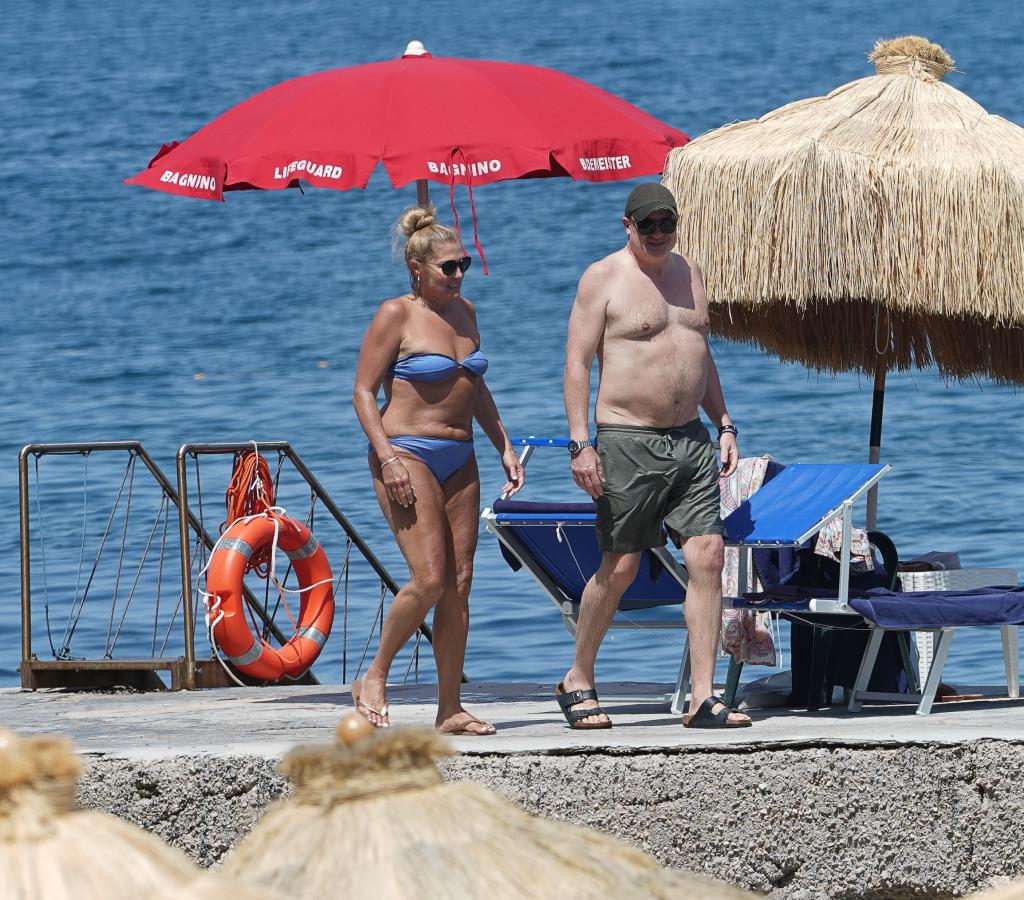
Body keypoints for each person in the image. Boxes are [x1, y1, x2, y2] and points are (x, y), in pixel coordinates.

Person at [559, 182, 748, 729]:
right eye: (649, 226)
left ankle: (703, 696)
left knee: (708, 556)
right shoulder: (604, 278)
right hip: (626, 440)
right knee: (619, 567)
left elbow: (700, 353)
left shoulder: (690, 273)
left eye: (668, 223)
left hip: (691, 439)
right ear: (628, 226)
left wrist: (725, 423)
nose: (660, 233)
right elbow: (577, 363)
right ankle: (578, 677)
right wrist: (580, 443)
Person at [352, 206, 524, 734]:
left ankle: (449, 708)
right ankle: (374, 675)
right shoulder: (395, 315)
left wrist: (504, 445)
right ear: (416, 266)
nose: (458, 275)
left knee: (460, 583)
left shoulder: (466, 312)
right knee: (429, 578)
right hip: (406, 453)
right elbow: (362, 392)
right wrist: (387, 458)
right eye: (447, 267)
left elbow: (475, 387)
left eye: (463, 265)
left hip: (461, 457)